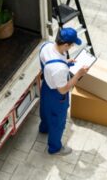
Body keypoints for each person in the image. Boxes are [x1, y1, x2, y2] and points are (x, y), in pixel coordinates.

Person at [39, 27, 88, 156]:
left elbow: (51, 64)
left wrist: (66, 62)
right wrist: (78, 75)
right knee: (58, 122)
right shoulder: (59, 69)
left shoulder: (46, 46)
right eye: (71, 45)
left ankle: (44, 128)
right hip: (56, 96)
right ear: (66, 45)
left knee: (45, 110)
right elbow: (63, 90)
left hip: (46, 88)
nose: (71, 47)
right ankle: (55, 148)